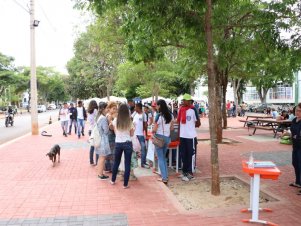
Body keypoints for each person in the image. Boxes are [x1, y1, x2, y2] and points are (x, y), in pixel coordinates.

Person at [177, 94, 201, 182]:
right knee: (183, 154)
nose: (183, 102)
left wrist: (190, 126)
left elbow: (198, 123)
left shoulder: (193, 110)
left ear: (190, 101)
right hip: (182, 136)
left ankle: (190, 173)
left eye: (185, 100)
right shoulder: (181, 110)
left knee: (190, 155)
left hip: (191, 136)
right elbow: (179, 122)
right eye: (183, 100)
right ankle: (184, 172)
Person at [110, 103, 135, 189]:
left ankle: (113, 180)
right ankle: (125, 184)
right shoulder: (129, 121)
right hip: (127, 143)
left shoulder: (116, 120)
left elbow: (113, 129)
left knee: (116, 162)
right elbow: (131, 134)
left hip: (118, 143)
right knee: (127, 164)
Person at [152, 99, 174, 184]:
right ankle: (165, 176)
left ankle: (164, 177)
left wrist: (153, 132)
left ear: (159, 106)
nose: (156, 107)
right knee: (163, 158)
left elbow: (154, 128)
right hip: (167, 138)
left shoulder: (158, 116)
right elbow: (172, 128)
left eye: (157, 105)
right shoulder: (170, 115)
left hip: (159, 138)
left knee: (160, 158)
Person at [95, 102, 111, 180]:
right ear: (103, 109)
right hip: (103, 140)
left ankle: (100, 173)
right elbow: (106, 131)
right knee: (102, 158)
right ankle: (100, 174)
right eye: (107, 108)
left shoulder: (99, 117)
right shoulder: (104, 118)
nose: (108, 109)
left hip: (99, 140)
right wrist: (109, 123)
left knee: (100, 157)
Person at [132, 103, 149, 168]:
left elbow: (145, 125)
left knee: (143, 148)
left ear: (139, 107)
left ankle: (143, 163)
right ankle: (135, 162)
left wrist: (146, 134)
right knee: (135, 149)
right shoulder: (134, 114)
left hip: (141, 135)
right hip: (134, 135)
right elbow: (131, 120)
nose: (134, 108)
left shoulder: (144, 115)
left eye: (135, 107)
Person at [288, 103, 301, 191]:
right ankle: (298, 182)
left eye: (300, 111)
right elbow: (292, 132)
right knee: (295, 163)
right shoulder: (294, 120)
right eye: (296, 110)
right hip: (295, 146)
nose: (297, 112)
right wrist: (288, 134)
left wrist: (297, 136)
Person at [105, 101, 118, 172]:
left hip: (111, 136)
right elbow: (111, 128)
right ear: (109, 109)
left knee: (110, 152)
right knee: (112, 153)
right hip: (111, 136)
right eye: (113, 108)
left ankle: (108, 168)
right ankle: (112, 168)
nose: (115, 110)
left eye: (116, 109)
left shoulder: (110, 115)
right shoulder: (109, 116)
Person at [87, 100, 98, 165]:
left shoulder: (89, 111)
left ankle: (91, 161)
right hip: (95, 130)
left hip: (90, 129)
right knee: (96, 146)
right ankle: (97, 162)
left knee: (92, 146)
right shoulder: (95, 111)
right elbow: (97, 119)